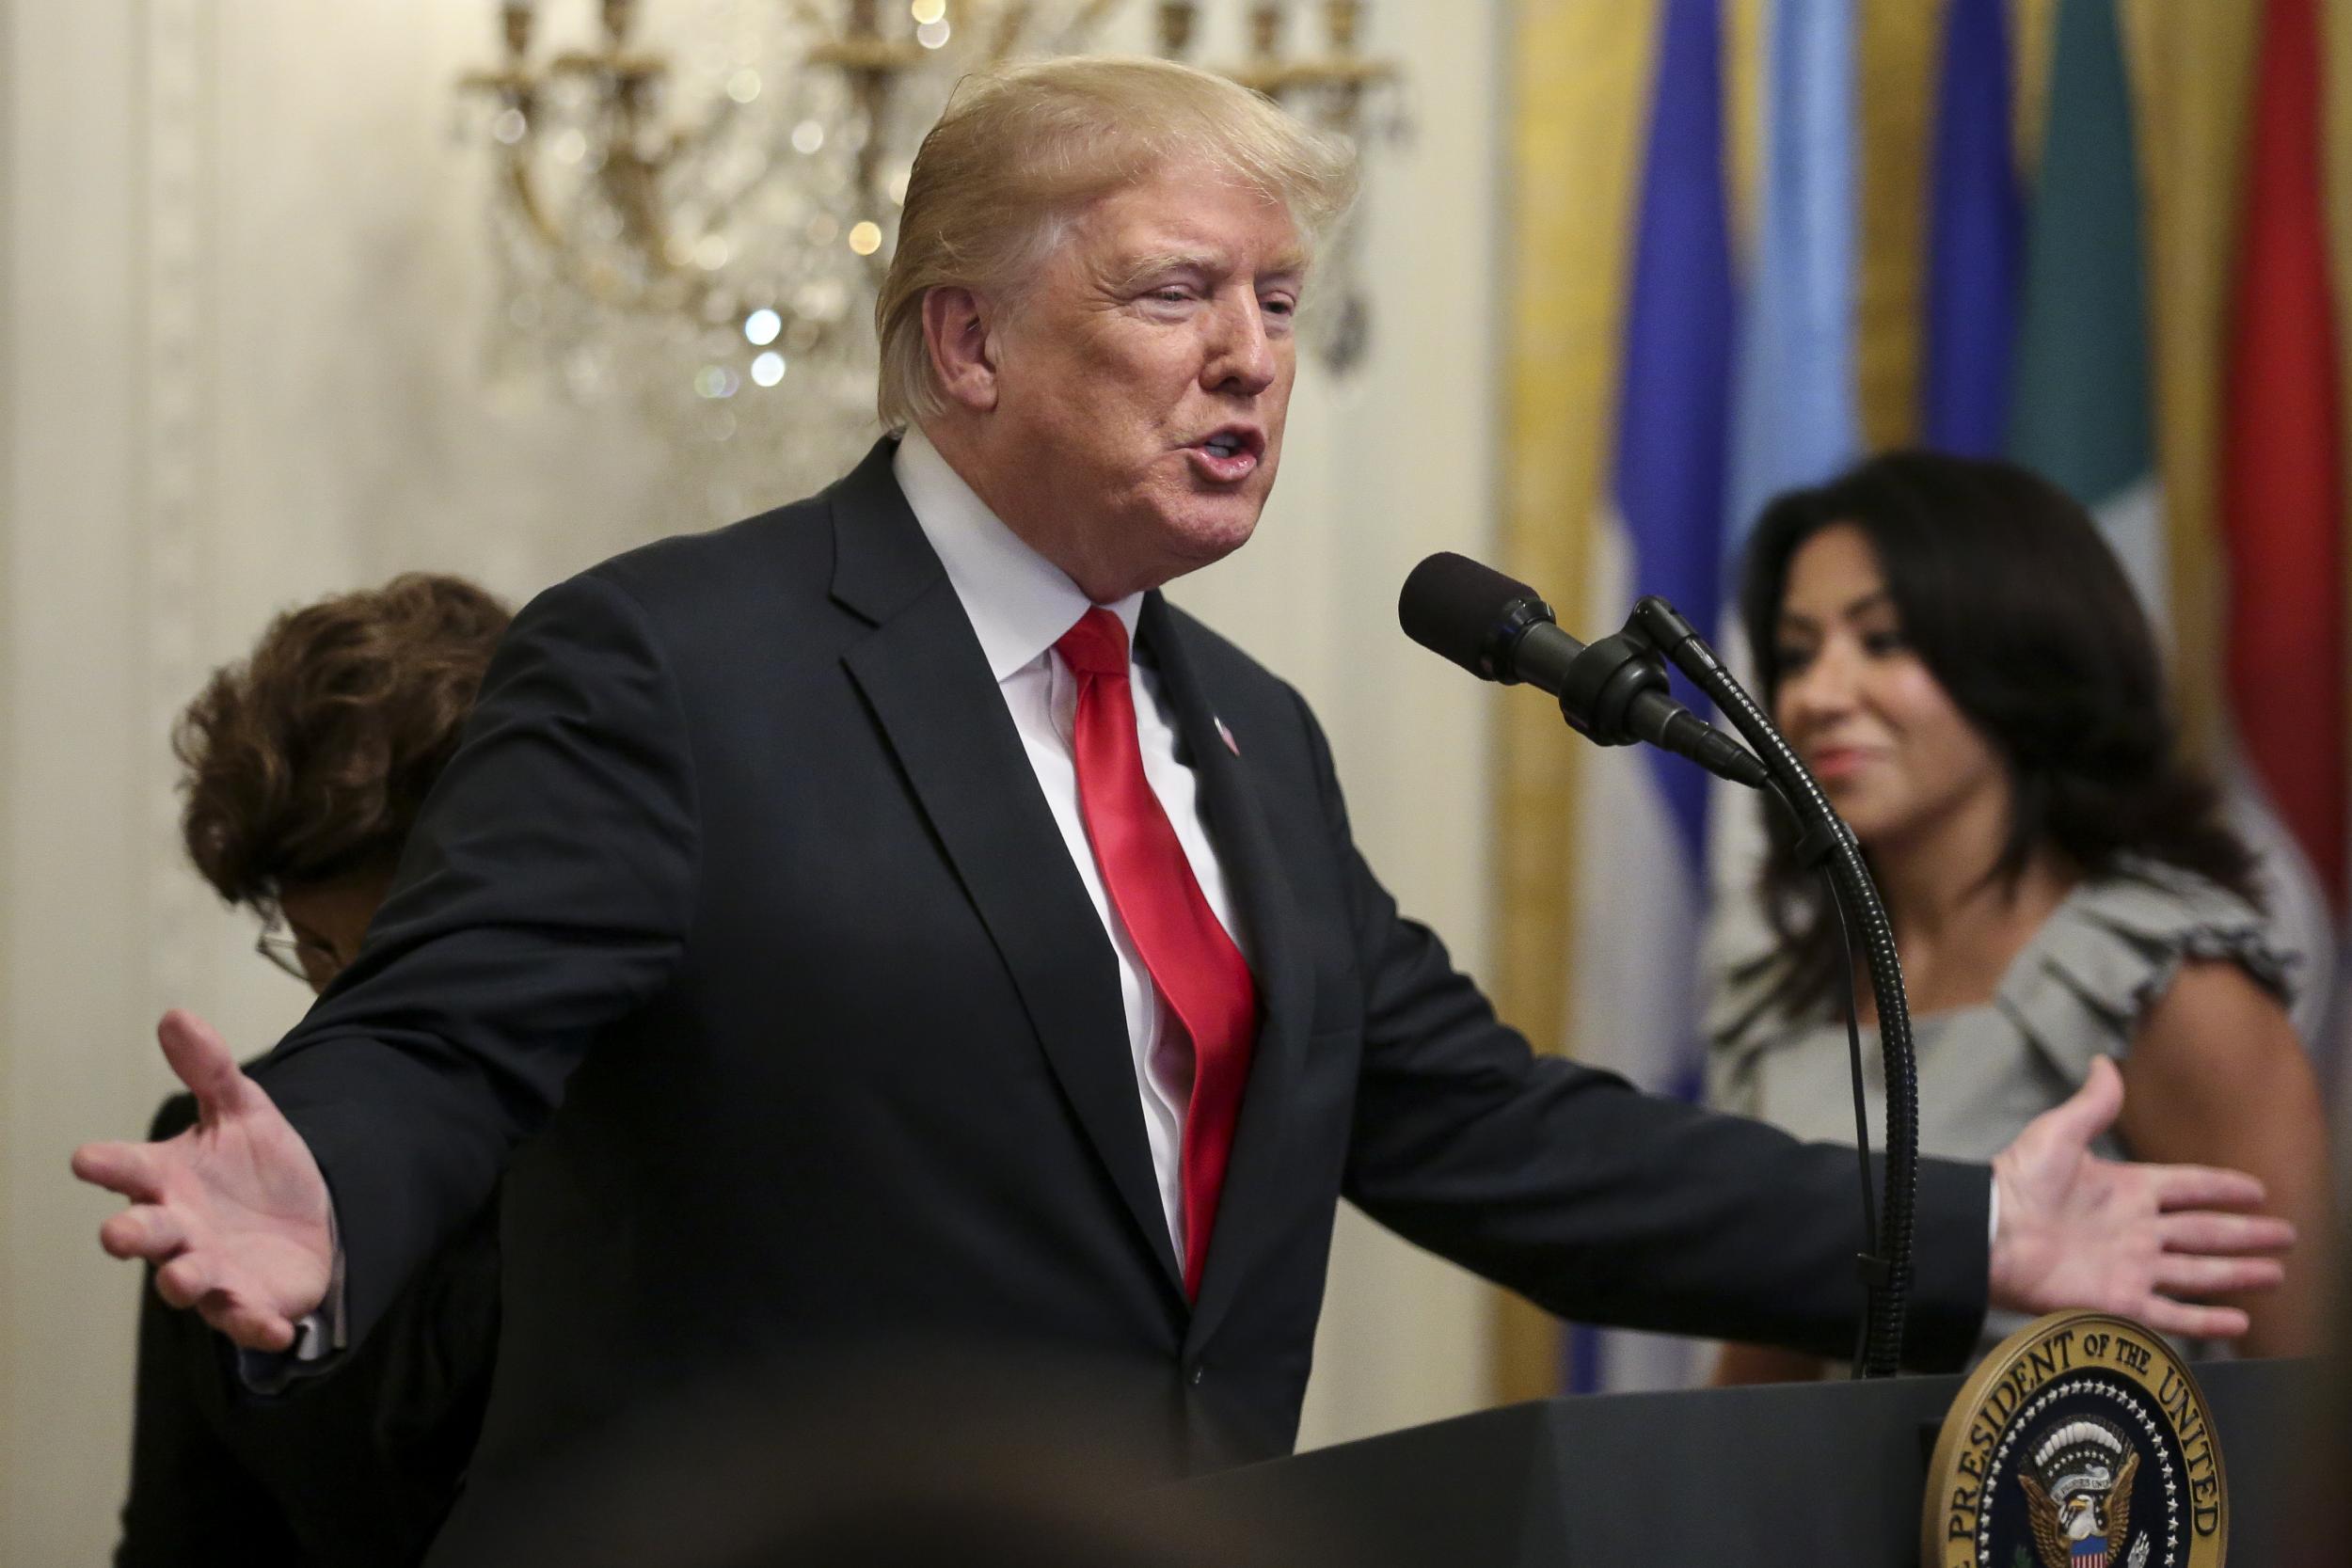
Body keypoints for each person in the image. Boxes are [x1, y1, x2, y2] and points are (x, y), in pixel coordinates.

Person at [72, 58, 2295, 1553]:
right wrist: (327, 1195)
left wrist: (1973, 1231)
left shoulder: (1247, 737)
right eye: (1171, 294)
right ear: (962, 346)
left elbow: (1496, 1133)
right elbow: (441, 1035)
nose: (1248, 355)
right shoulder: (676, 664)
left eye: (1276, 303)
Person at [1708, 451, 2332, 1382]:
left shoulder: (2165, 981)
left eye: (1880, 641)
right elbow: (1754, 1400)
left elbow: (2310, 1401)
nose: (1818, 694)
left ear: (2018, 648)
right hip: (1825, 1527)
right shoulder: (1785, 1002)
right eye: (1796, 653)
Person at [117, 575, 510, 1564]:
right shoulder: (214, 1165)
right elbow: (187, 1543)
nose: (351, 1007)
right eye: (315, 949)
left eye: (393, 950)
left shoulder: (667, 1132)